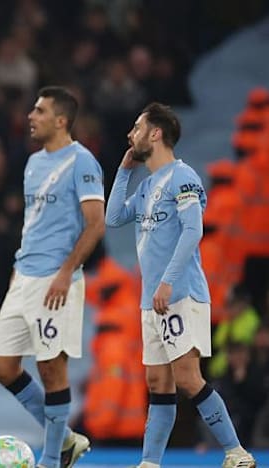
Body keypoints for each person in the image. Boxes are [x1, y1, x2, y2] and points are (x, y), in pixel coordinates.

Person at [105, 102, 256, 468]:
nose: (130, 134)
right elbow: (113, 218)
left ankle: (236, 452)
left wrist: (167, 282)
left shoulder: (183, 177)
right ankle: (150, 463)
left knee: (188, 379)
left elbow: (193, 230)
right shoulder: (146, 187)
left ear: (156, 133)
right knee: (158, 384)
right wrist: (124, 171)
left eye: (137, 127)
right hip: (152, 301)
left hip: (180, 294)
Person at [0, 86, 104, 468]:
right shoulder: (33, 163)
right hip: (24, 275)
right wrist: (17, 267)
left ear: (61, 120)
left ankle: (52, 459)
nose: (30, 116)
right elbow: (33, 223)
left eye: (39, 111)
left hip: (57, 279)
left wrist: (66, 273)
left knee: (51, 368)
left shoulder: (83, 162)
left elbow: (95, 224)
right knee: (2, 367)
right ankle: (67, 439)